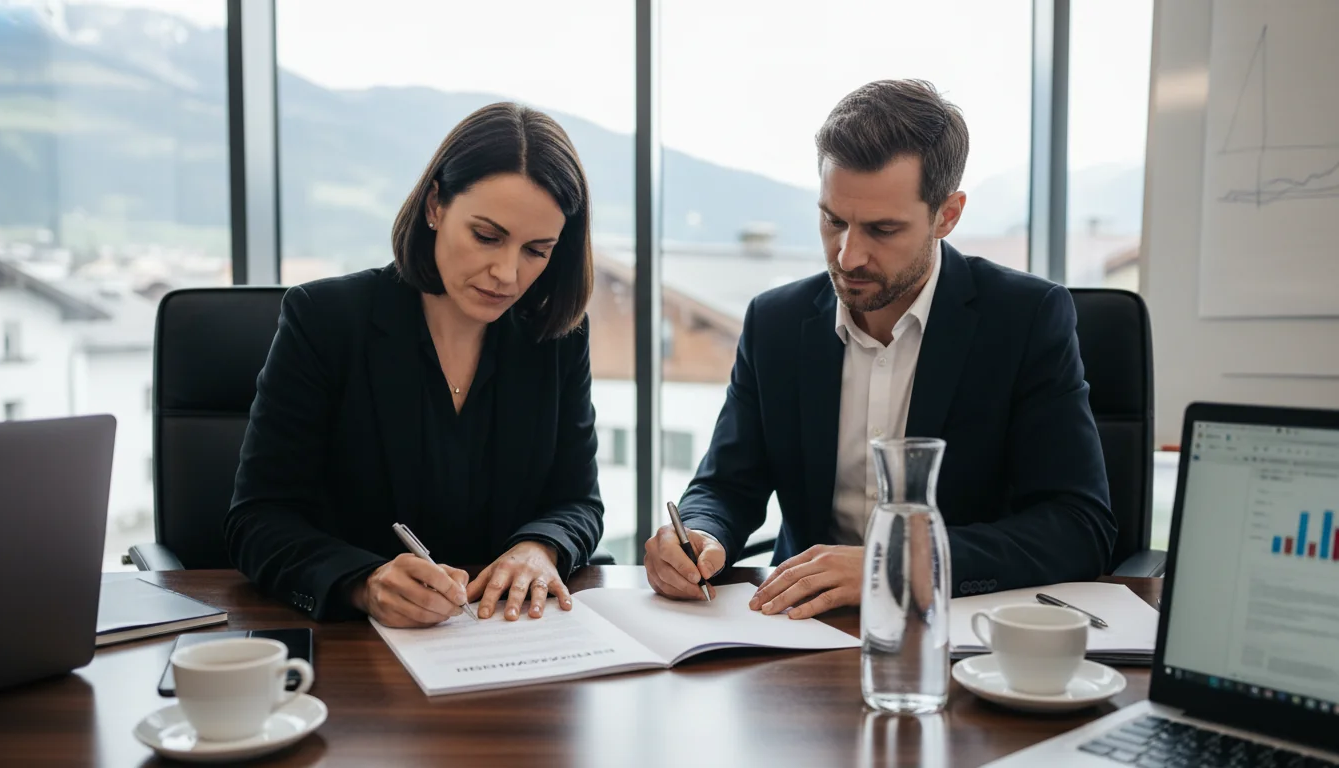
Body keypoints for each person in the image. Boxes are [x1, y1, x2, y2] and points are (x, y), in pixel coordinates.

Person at [644, 79, 1115, 618]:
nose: (848, 256)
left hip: (956, 625)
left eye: (883, 229)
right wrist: (699, 533)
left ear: (947, 215)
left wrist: (895, 563)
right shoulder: (776, 323)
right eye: (833, 221)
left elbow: (1078, 526)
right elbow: (726, 484)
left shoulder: (1025, 318)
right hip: (800, 624)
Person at [226, 103, 603, 628]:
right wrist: (363, 583)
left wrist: (541, 548)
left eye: (536, 251)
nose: (507, 273)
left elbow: (578, 502)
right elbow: (257, 519)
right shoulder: (326, 319)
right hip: (359, 647)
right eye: (487, 237)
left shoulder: (556, 337)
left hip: (507, 634)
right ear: (434, 206)